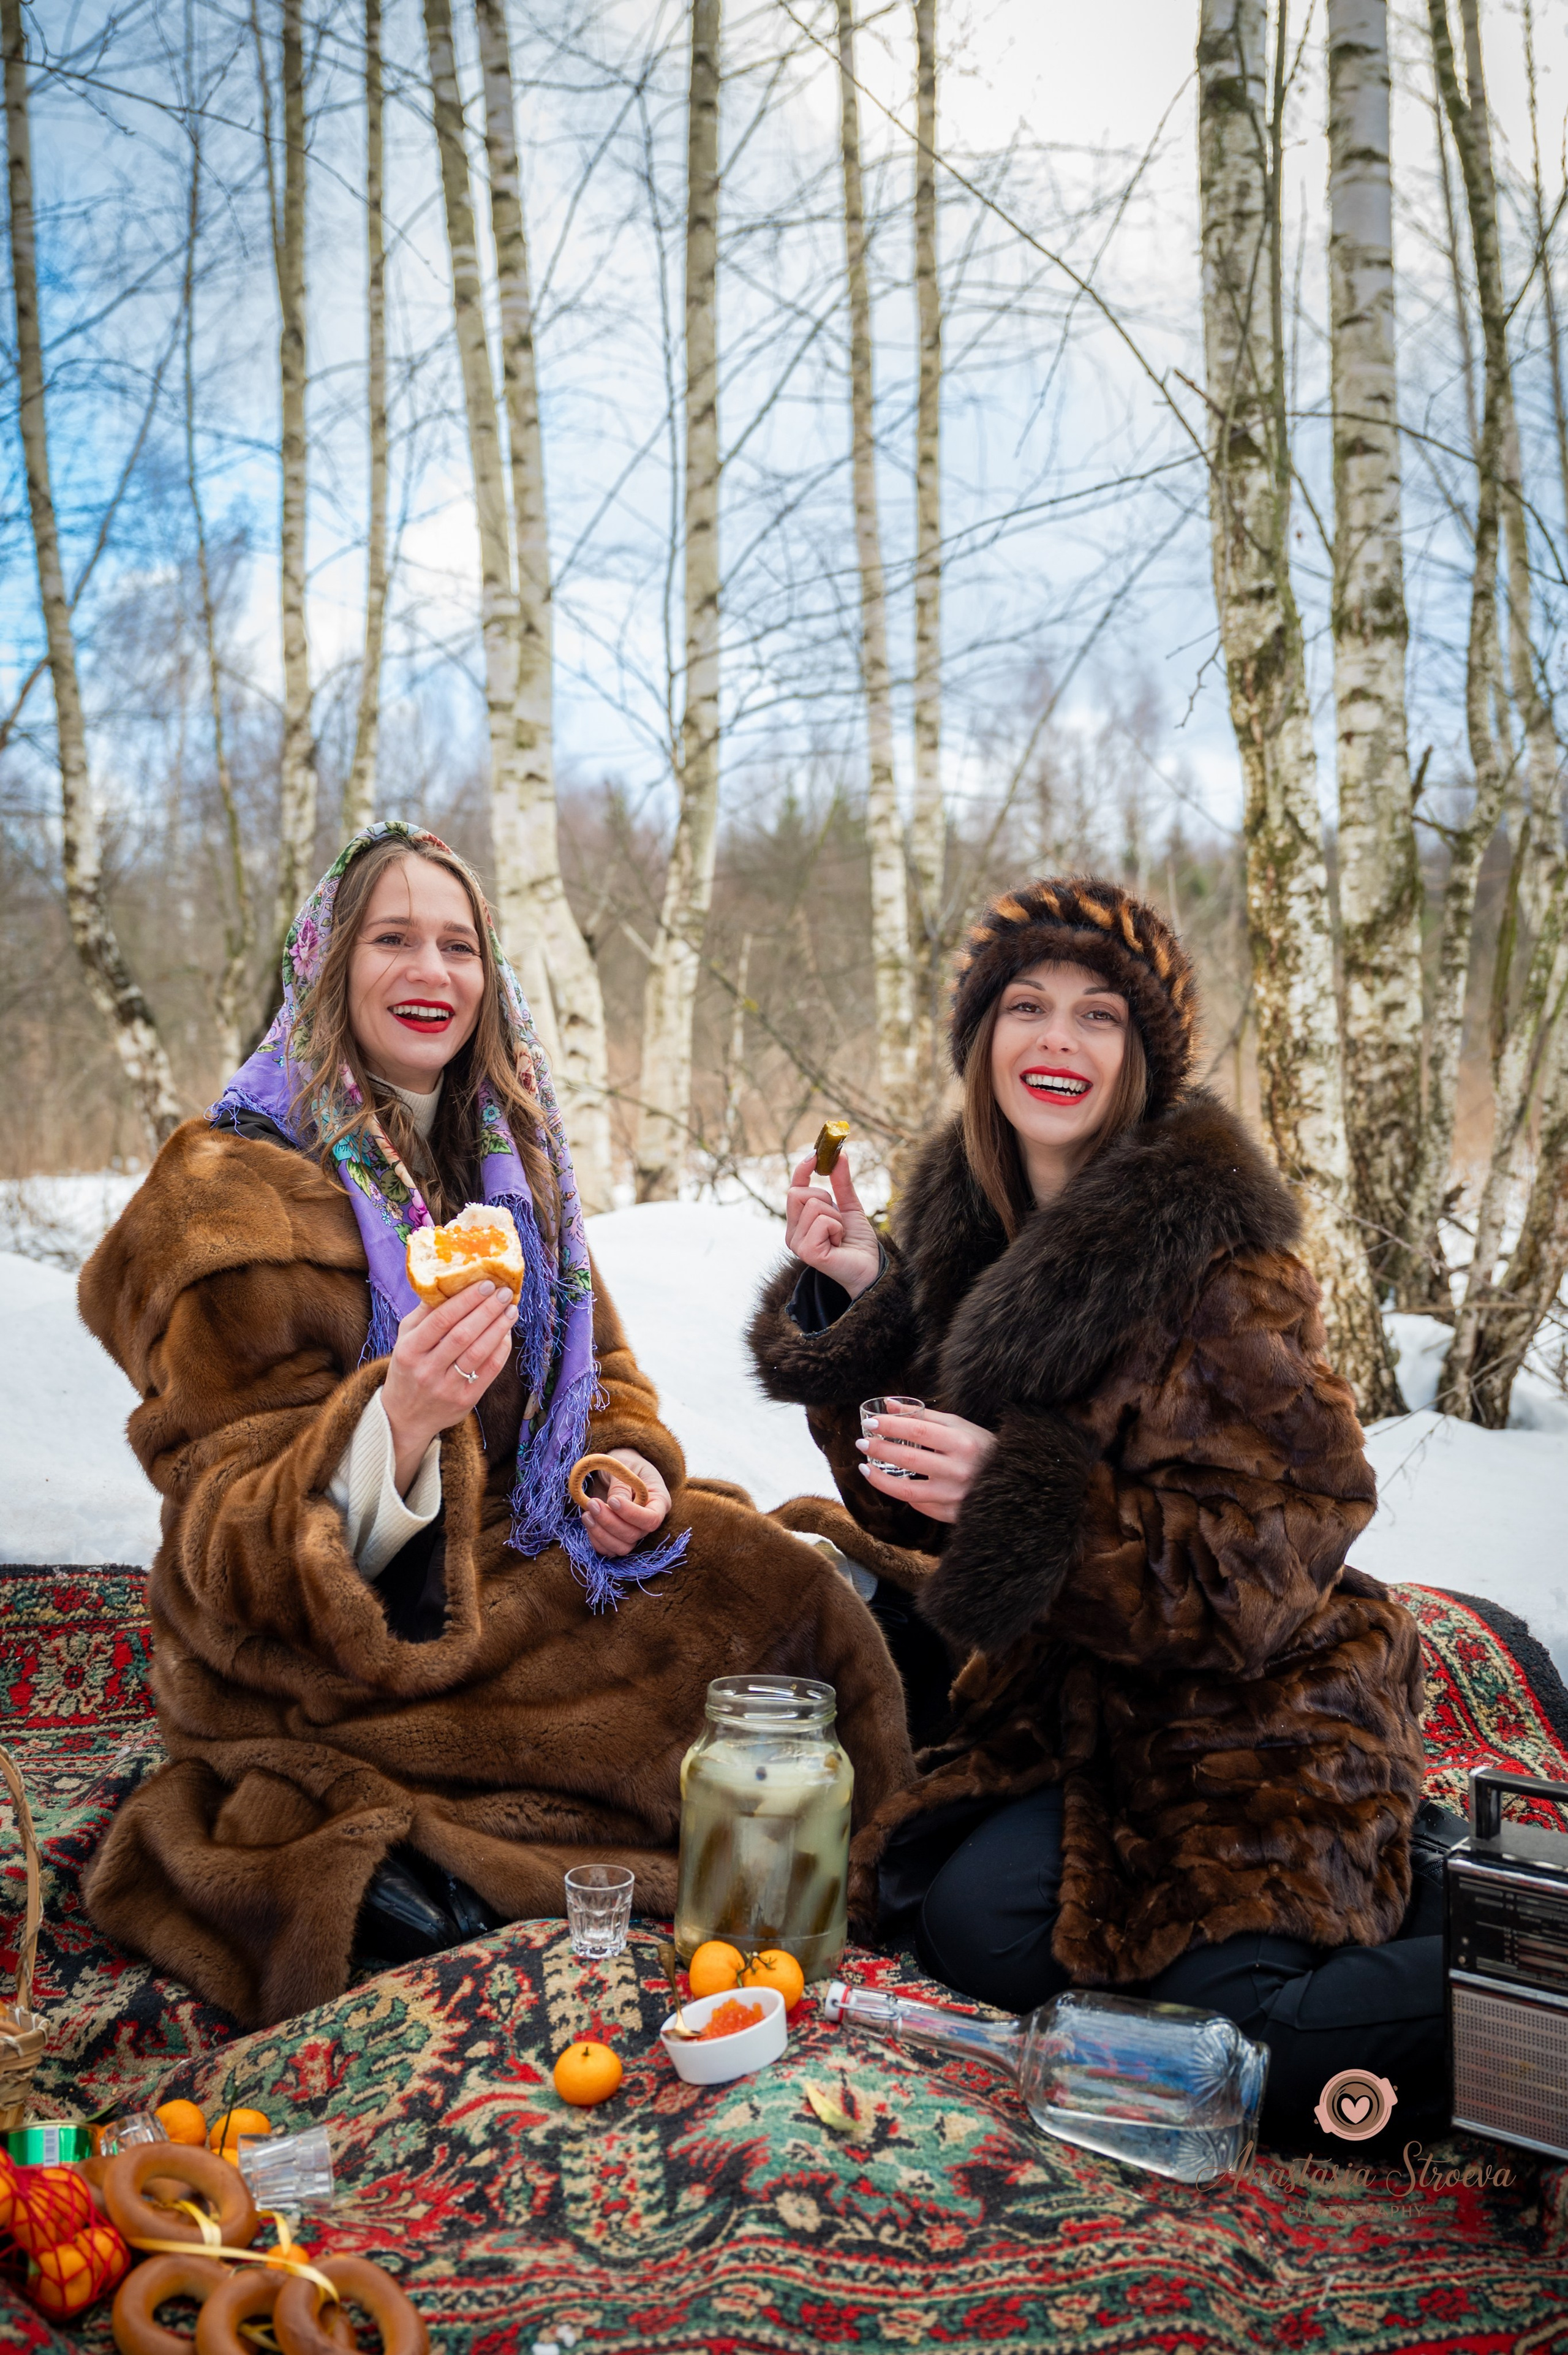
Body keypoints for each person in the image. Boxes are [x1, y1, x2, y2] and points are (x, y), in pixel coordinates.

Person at [80, 822, 913, 2028]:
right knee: (694, 1685)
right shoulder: (229, 1193)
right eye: (393, 939)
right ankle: (440, 1876)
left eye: (458, 944)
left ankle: (831, 1859)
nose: (433, 972)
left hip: (525, 1564)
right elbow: (222, 1541)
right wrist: (395, 1428)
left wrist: (616, 1469)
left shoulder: (510, 1164)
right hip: (337, 1640)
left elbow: (608, 1385)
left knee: (779, 1585)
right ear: (325, 964)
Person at [750, 876, 1459, 2150]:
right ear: (981, 1038)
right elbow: (918, 1508)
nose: (1056, 1042)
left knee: (1240, 2053)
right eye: (1024, 1006)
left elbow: (1278, 1549)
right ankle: (1418, 1876)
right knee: (964, 1919)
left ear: (1142, 1056)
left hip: (1258, 1703)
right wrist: (866, 1298)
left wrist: (1025, 1499)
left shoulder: (1222, 1260)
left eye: (1098, 1016)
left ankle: (1480, 1933)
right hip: (1087, 1709)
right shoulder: (969, 1225)